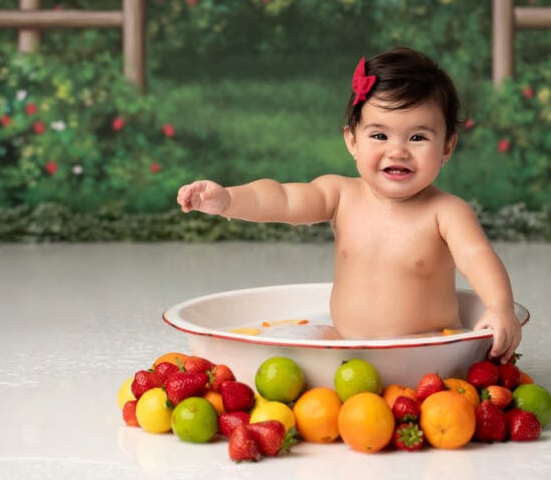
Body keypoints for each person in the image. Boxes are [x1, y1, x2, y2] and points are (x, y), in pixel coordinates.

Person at [176, 47, 522, 361]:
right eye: (379, 135)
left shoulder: (446, 212)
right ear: (352, 141)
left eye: (417, 137)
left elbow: (479, 258)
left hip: (425, 354)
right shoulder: (340, 195)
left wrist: (500, 307)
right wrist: (228, 199)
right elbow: (282, 198)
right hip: (343, 345)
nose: (397, 150)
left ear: (447, 147)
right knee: (284, 356)